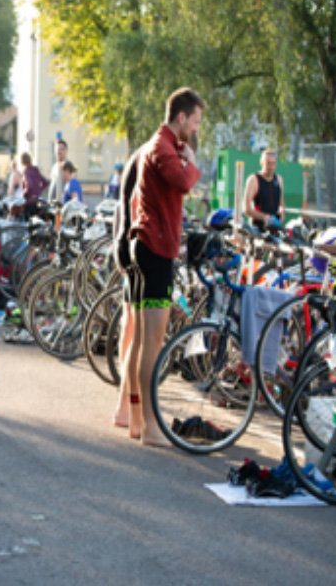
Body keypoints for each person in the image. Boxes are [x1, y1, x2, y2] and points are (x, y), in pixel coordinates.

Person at [128, 87, 205, 446]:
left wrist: (187, 155)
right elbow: (185, 181)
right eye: (195, 121)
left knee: (145, 339)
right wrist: (191, 159)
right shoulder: (162, 148)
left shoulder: (159, 145)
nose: (197, 128)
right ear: (180, 118)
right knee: (153, 342)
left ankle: (137, 420)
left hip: (150, 247)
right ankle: (150, 427)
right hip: (155, 250)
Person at [111, 148, 144, 438]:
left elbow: (115, 236)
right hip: (139, 264)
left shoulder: (123, 199)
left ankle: (123, 405)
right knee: (136, 335)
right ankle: (126, 405)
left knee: (128, 331)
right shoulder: (137, 199)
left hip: (127, 263)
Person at [243, 149, 285, 231]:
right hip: (257, 229)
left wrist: (282, 211)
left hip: (274, 228)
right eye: (268, 163)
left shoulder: (279, 180)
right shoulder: (253, 180)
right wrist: (263, 217)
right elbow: (246, 208)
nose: (271, 167)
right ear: (262, 163)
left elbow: (281, 204)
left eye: (273, 163)